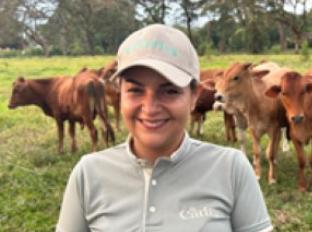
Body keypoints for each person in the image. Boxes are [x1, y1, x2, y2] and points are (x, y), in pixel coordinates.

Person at [56, 24, 273, 232]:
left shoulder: (231, 169)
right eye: (135, 91)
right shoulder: (88, 173)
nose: (150, 108)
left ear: (194, 97)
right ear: (119, 94)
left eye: (169, 91)